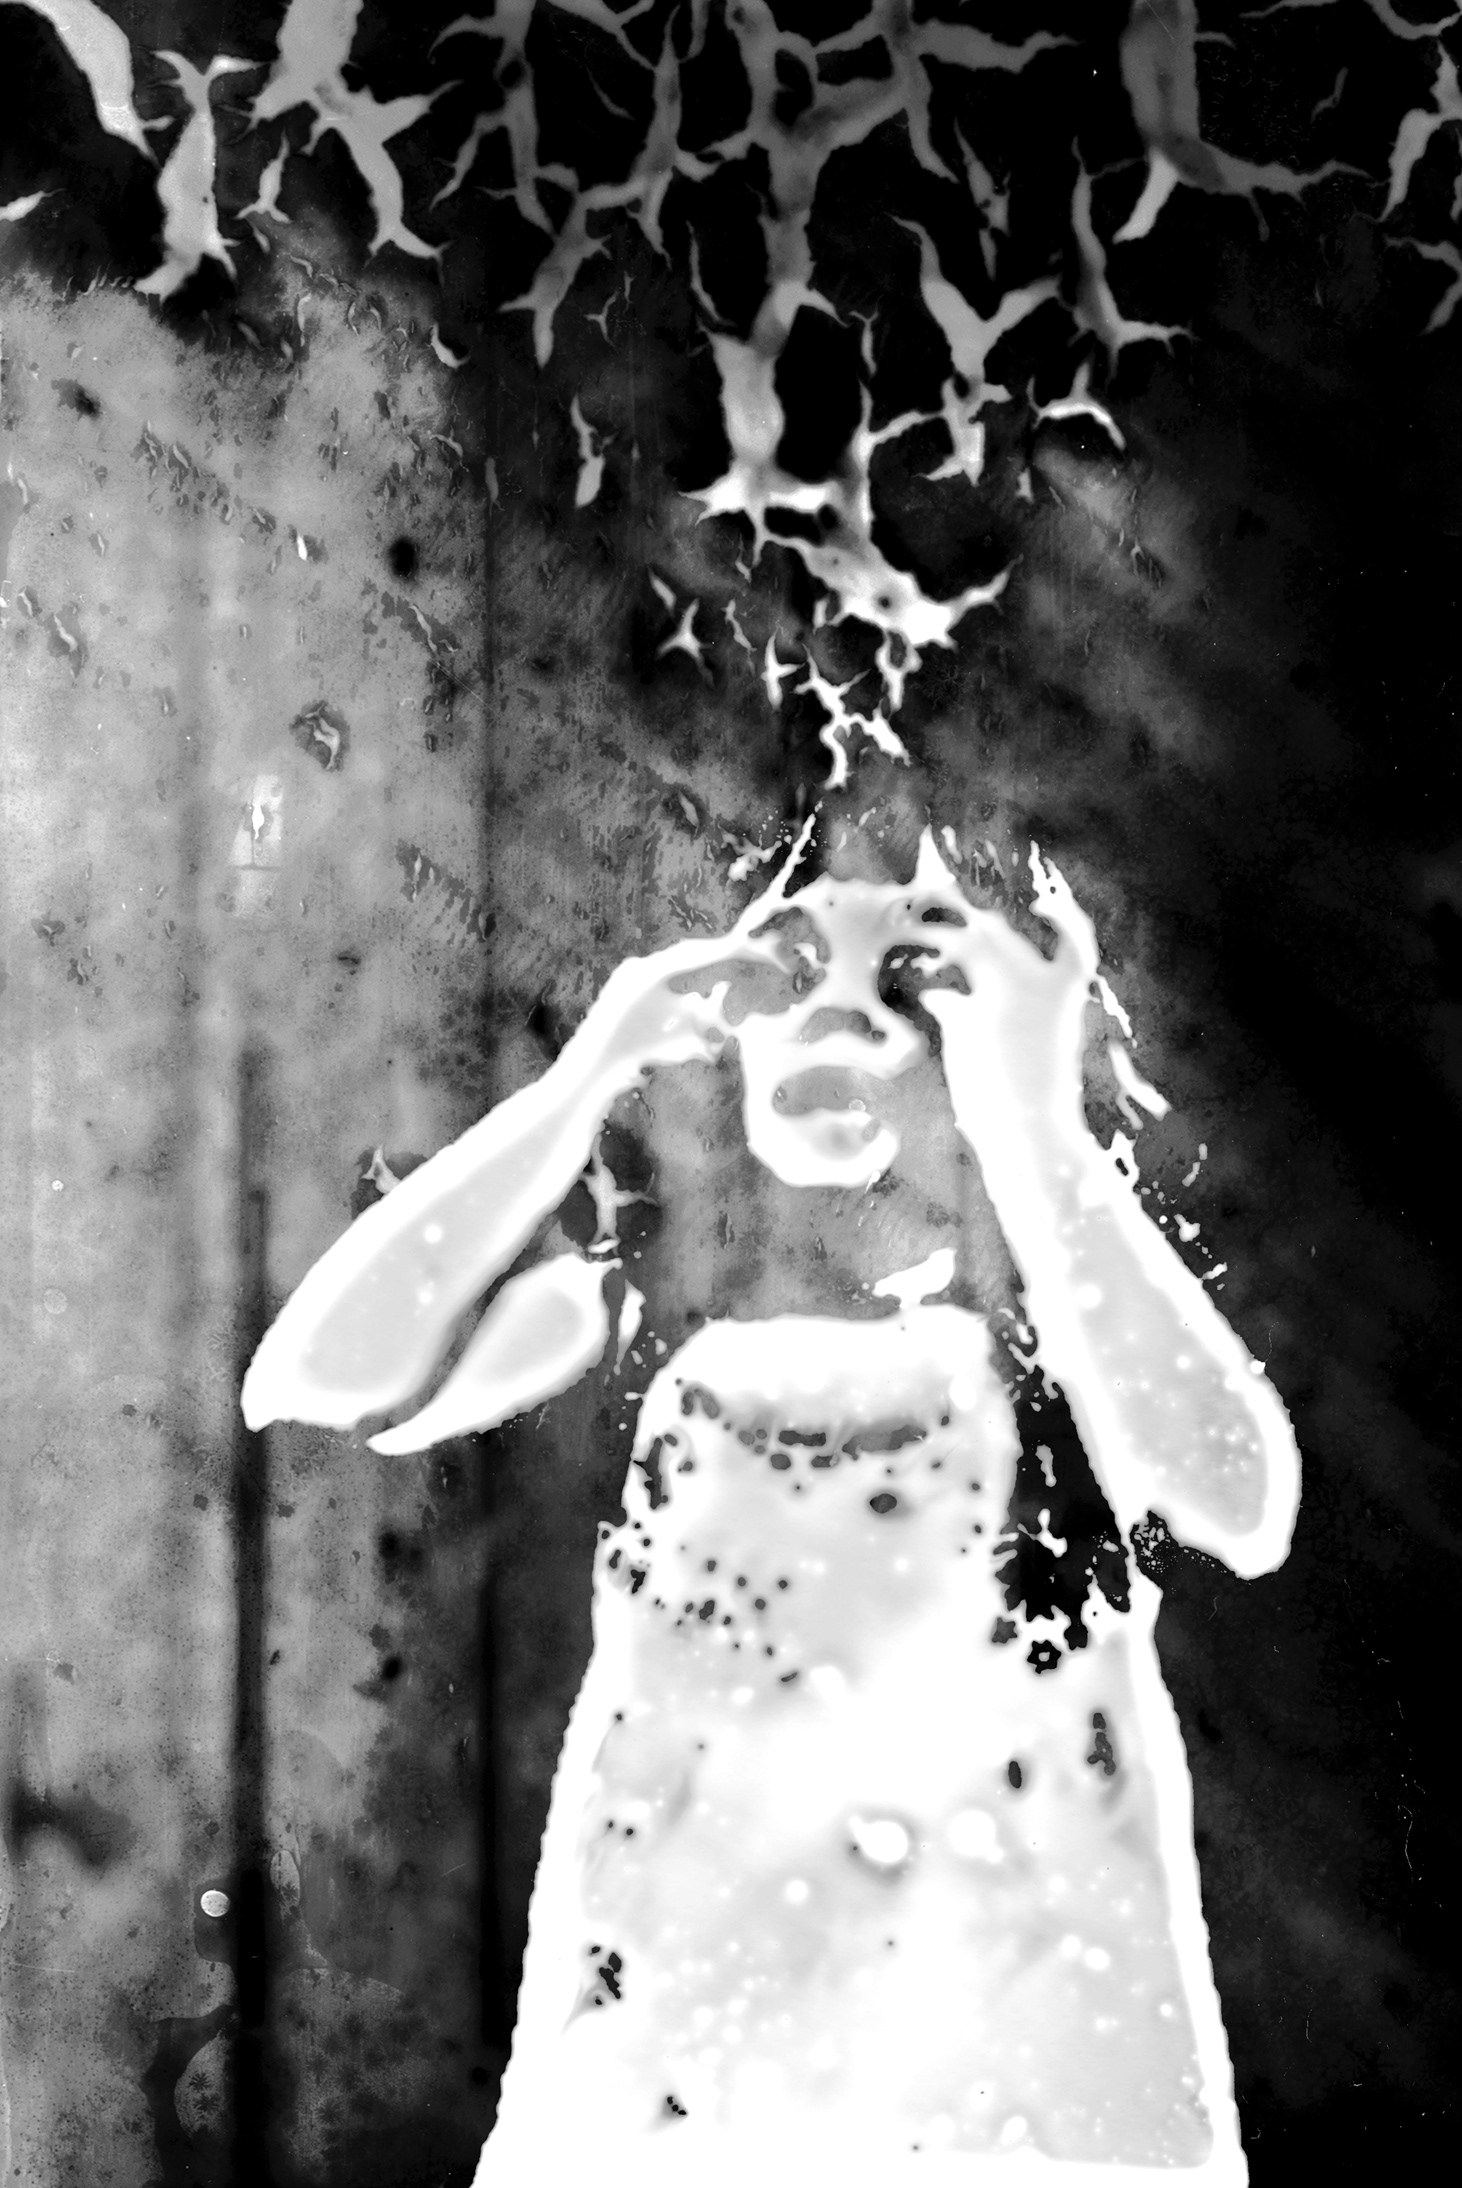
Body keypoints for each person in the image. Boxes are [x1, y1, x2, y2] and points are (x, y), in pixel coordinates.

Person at [243, 813, 1300, 2186]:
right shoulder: (634, 1308)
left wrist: (1034, 1127)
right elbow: (321, 1381)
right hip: (671, 2123)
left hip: (1029, 2121)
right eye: (785, 971)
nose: (840, 1018)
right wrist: (586, 1078)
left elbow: (1237, 1498)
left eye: (917, 980)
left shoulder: (1077, 1325)